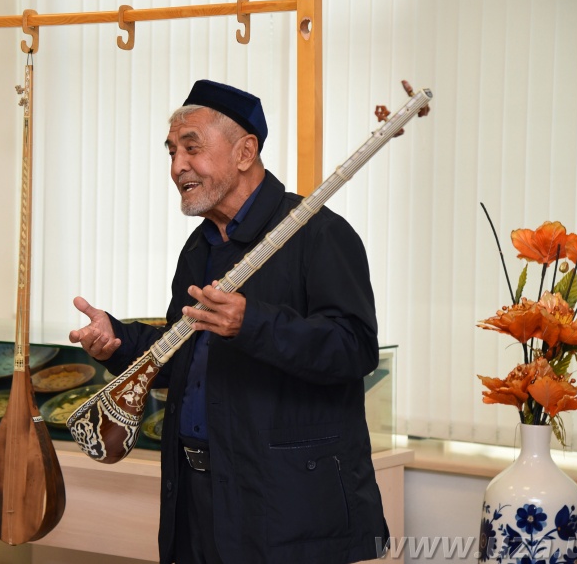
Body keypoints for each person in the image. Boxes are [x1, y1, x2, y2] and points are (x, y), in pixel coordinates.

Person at [68, 79, 388, 564]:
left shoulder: (318, 233)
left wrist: (251, 323)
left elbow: (355, 348)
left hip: (289, 505)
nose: (177, 166)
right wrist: (119, 341)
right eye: (172, 151)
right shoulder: (199, 249)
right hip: (196, 497)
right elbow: (184, 356)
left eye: (191, 147)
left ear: (245, 152)